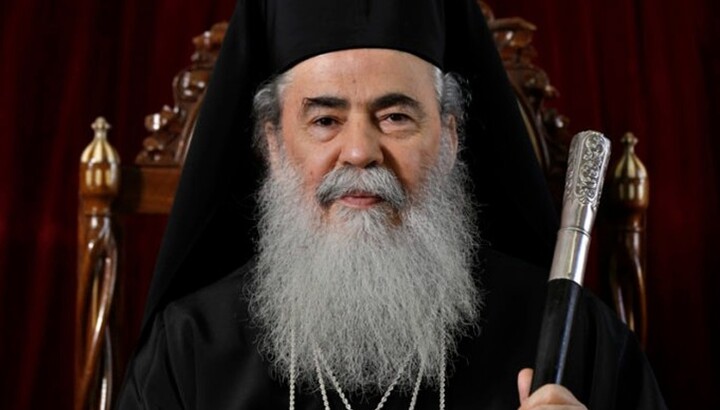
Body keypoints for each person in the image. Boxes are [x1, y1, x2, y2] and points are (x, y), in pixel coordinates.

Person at [116, 0, 666, 408]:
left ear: (449, 138)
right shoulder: (188, 351)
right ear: (275, 145)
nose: (360, 151)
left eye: (395, 117)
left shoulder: (569, 342)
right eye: (325, 119)